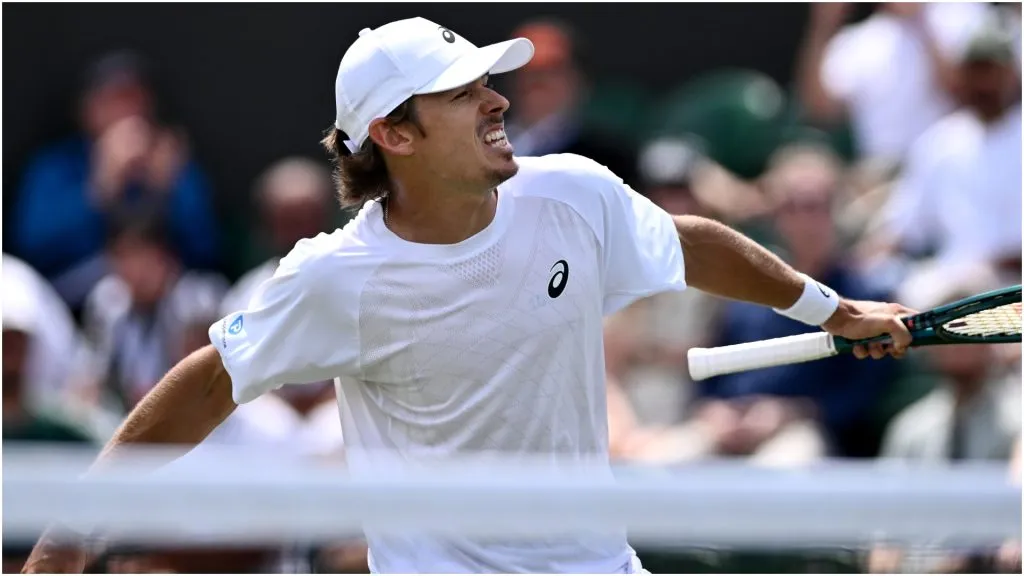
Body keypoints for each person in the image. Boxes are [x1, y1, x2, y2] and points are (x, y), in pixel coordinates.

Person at [23, 17, 915, 575]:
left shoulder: (571, 191)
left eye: (490, 83)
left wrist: (832, 311)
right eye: (465, 92)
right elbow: (209, 382)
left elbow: (687, 247)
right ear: (396, 133)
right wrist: (71, 529)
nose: (497, 100)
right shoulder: (336, 277)